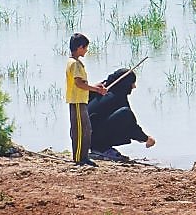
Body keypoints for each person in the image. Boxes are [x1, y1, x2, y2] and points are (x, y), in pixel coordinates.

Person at [87, 68, 156, 162]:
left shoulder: (99, 90)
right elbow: (131, 124)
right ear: (126, 84)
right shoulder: (118, 97)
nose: (134, 86)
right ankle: (101, 148)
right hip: (94, 138)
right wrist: (146, 139)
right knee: (125, 114)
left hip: (85, 138)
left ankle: (99, 147)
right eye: (132, 83)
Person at [65, 33, 106, 167]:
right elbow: (79, 83)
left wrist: (95, 86)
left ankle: (84, 157)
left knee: (87, 129)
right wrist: (96, 90)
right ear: (79, 47)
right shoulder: (74, 64)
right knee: (79, 130)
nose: (87, 50)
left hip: (81, 101)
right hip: (76, 101)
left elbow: (82, 83)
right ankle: (79, 158)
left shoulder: (77, 63)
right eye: (85, 47)